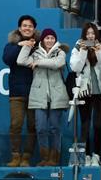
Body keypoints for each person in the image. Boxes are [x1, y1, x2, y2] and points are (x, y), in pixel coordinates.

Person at [17, 28, 69, 167]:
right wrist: (27, 46)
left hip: (57, 96)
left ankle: (54, 158)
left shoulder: (60, 51)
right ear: (42, 40)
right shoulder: (35, 53)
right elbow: (21, 60)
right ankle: (45, 158)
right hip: (39, 96)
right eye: (47, 38)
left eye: (52, 38)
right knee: (40, 128)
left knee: (55, 128)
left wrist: (39, 62)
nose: (50, 40)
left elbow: (58, 63)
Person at [69, 23, 101, 167]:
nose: (90, 36)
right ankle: (85, 155)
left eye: (93, 33)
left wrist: (99, 52)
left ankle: (96, 156)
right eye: (87, 34)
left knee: (98, 125)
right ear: (84, 35)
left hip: (100, 92)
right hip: (84, 91)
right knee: (85, 125)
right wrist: (82, 51)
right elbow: (75, 67)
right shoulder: (78, 46)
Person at [2, 15, 38, 167]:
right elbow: (7, 59)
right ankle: (15, 156)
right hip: (16, 93)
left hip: (36, 92)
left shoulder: (40, 45)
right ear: (19, 28)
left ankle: (26, 158)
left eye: (30, 26)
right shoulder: (12, 44)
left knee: (32, 126)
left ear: (34, 29)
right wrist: (20, 45)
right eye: (24, 25)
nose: (27, 28)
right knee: (16, 125)